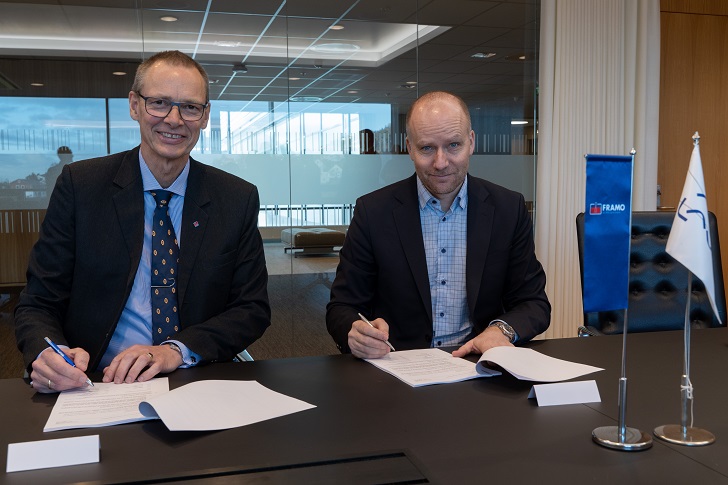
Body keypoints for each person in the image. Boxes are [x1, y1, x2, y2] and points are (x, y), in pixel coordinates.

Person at [15, 50, 271, 393]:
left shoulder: (236, 198)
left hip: (196, 377)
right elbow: (39, 302)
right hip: (94, 381)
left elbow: (251, 308)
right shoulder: (81, 186)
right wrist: (47, 353)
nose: (175, 119)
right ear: (134, 105)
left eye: (190, 107)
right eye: (160, 103)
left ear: (205, 116)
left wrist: (175, 350)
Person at [326, 91, 550, 359]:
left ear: (471, 142)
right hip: (398, 367)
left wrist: (500, 330)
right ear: (409, 148)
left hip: (478, 365)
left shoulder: (508, 209)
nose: (441, 163)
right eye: (427, 148)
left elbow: (533, 302)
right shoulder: (373, 212)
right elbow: (342, 306)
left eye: (454, 145)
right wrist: (356, 333)